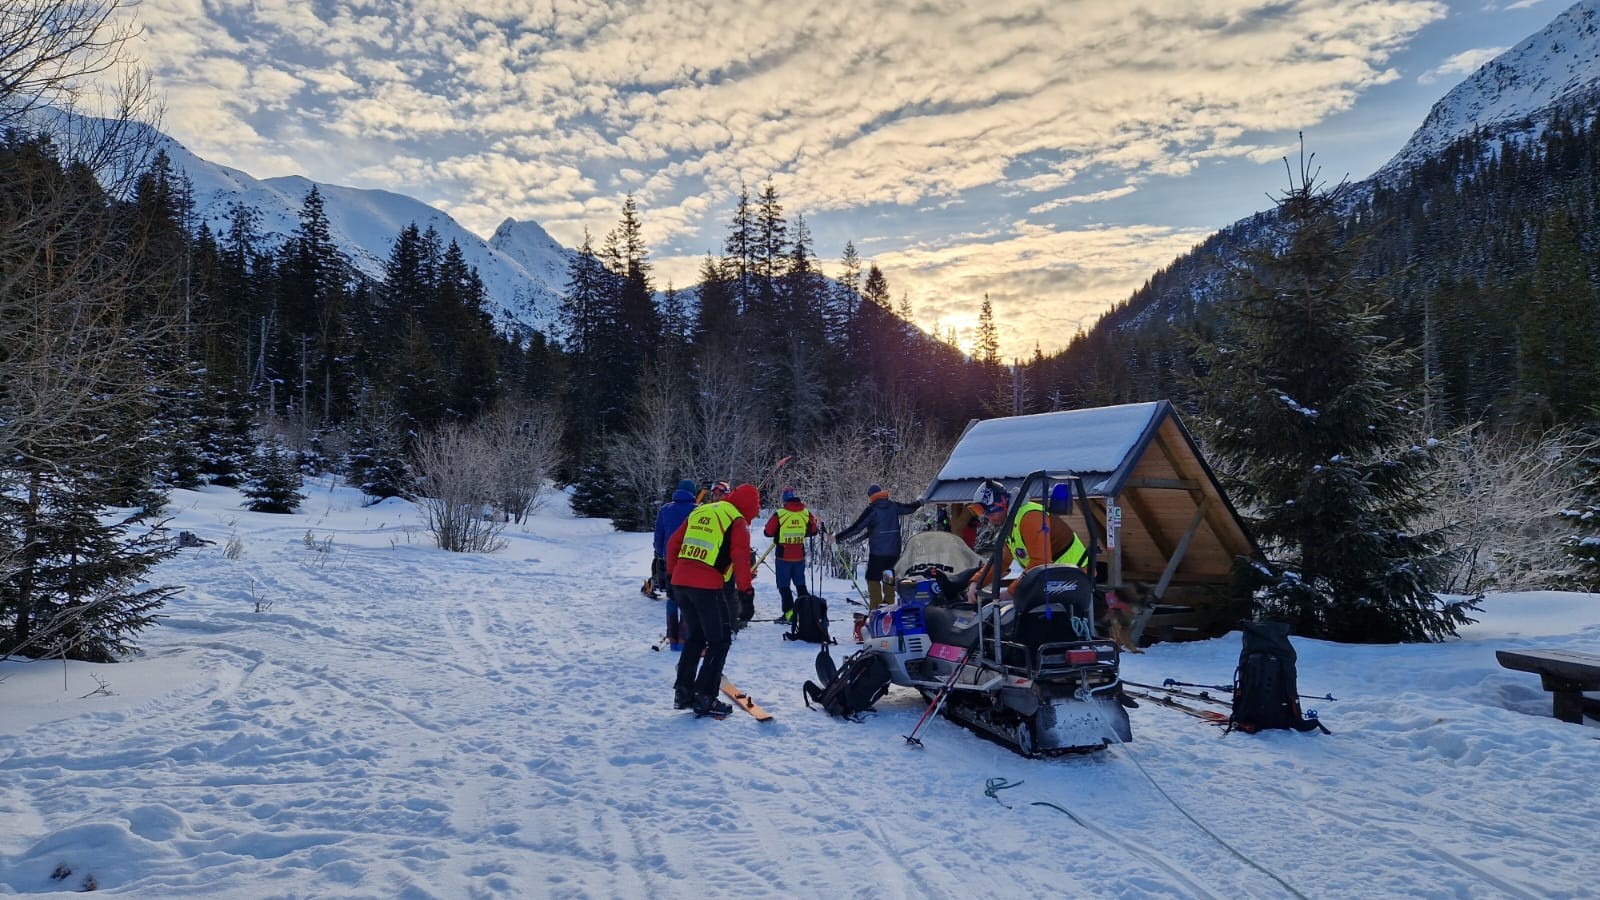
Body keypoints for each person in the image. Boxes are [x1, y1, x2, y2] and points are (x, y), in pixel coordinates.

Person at [667, 481, 759, 718]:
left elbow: (673, 544)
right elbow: (741, 560)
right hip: (706, 587)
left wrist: (671, 574)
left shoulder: (703, 510)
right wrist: (746, 595)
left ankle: (683, 692)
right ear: (748, 508)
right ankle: (705, 696)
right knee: (720, 641)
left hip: (681, 584)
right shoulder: (736, 521)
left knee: (696, 637)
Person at [966, 481, 1088, 604]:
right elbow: (1002, 560)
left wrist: (1011, 591)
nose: (986, 517)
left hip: (1074, 577)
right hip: (1054, 578)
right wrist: (977, 582)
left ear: (1000, 504)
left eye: (986, 511)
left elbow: (1040, 562)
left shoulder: (1030, 517)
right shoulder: (1011, 523)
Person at [833, 483, 923, 612]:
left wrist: (837, 538)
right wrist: (919, 502)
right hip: (893, 553)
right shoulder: (893, 506)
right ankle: (890, 609)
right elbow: (909, 508)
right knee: (889, 579)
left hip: (877, 554)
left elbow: (857, 528)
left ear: (870, 496)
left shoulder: (872, 510)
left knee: (873, 578)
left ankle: (875, 611)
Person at [763, 486, 823, 622]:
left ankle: (789, 615)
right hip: (799, 556)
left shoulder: (780, 513)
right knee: (801, 585)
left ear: (784, 499)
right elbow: (814, 530)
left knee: (784, 587)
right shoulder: (806, 513)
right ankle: (807, 612)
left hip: (783, 556)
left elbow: (767, 532)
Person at [652, 478, 699, 651]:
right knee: (688, 599)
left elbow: (659, 536)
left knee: (672, 598)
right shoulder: (697, 511)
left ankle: (672, 637)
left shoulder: (665, 509)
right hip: (690, 561)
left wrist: (660, 554)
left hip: (669, 561)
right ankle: (684, 637)